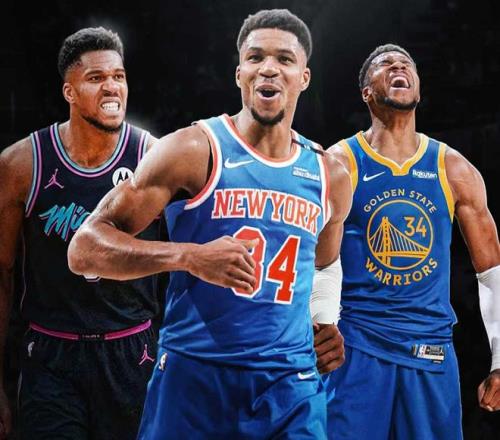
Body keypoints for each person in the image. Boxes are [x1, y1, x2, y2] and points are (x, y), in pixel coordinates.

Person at [68, 9, 352, 439]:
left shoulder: (330, 174)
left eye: (284, 59)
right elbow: (85, 248)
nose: (269, 68)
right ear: (240, 74)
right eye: (255, 57)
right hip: (196, 376)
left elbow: (325, 265)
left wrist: (324, 318)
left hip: (290, 384)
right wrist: (188, 256)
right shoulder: (192, 149)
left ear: (303, 78)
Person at [323, 44, 500, 439]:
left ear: (418, 87)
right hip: (356, 347)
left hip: (429, 350)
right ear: (366, 92)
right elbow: (314, 261)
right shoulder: (340, 162)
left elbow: (492, 270)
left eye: (406, 64)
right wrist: (316, 324)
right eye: (385, 64)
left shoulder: (453, 168)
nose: (398, 66)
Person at [0, 27, 166, 439]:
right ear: (69, 91)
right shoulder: (22, 164)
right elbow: (2, 272)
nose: (111, 87)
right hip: (51, 354)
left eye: (118, 76)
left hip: (133, 351)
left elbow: (188, 265)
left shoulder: (154, 157)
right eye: (96, 78)